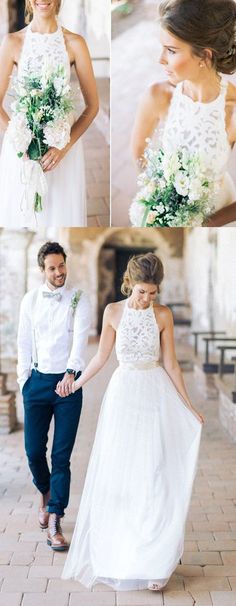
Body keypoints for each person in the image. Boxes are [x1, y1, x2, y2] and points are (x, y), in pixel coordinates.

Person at [58, 252, 203, 590]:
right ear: (129, 283)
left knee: (153, 473)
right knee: (120, 475)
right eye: (141, 291)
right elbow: (100, 357)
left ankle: (154, 561)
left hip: (155, 394)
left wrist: (190, 406)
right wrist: (75, 384)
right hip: (122, 396)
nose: (146, 299)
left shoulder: (163, 315)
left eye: (152, 293)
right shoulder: (113, 312)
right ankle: (121, 555)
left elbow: (172, 365)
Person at [131, 0, 236, 226]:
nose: (161, 59)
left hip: (217, 213)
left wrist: (201, 224)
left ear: (205, 56)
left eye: (171, 50)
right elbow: (138, 150)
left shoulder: (233, 106)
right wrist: (159, 195)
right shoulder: (158, 96)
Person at [17, 241, 91, 551]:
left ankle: (56, 517)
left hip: (67, 385)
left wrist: (71, 374)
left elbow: (82, 339)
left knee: (60, 457)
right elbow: (22, 342)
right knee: (34, 451)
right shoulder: (30, 300)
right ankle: (45, 492)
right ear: (42, 270)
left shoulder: (78, 298)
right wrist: (24, 381)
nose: (59, 272)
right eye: (52, 268)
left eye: (62, 266)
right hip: (36, 383)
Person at [0, 0, 99, 228]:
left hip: (61, 149)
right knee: (22, 216)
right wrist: (19, 139)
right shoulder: (12, 42)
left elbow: (92, 106)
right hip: (22, 149)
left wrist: (64, 147)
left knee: (58, 214)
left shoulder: (75, 43)